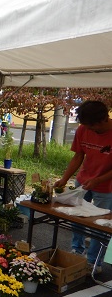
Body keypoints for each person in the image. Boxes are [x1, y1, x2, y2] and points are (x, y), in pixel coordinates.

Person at [54, 100, 112, 274]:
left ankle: (94, 261)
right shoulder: (83, 129)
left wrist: (99, 179)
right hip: (83, 182)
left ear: (104, 119)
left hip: (107, 186)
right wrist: (64, 179)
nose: (90, 130)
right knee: (75, 217)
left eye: (93, 127)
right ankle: (77, 250)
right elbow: (78, 156)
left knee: (100, 225)